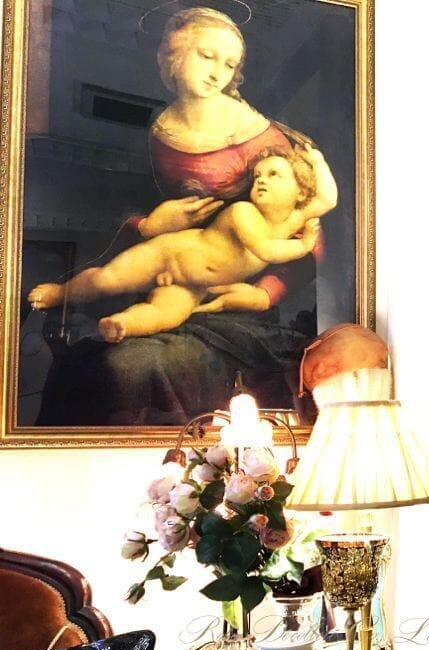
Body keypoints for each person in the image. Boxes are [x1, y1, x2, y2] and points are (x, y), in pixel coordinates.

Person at [34, 7, 331, 425]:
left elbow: (308, 223)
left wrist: (266, 293)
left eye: (229, 64)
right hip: (173, 252)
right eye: (206, 56)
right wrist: (151, 225)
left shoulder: (263, 139)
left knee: (138, 359)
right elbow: (116, 205)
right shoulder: (157, 131)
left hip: (228, 299)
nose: (217, 73)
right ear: (172, 55)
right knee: (104, 314)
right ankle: (67, 294)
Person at [29, 146, 336, 342]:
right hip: (168, 255)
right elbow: (266, 250)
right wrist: (304, 245)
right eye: (257, 176)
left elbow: (327, 199)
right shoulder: (244, 212)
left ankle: (122, 324)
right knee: (107, 280)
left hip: (193, 285)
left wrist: (318, 161)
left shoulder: (291, 221)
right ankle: (61, 293)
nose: (261, 180)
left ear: (300, 192)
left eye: (274, 175)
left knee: (167, 315)